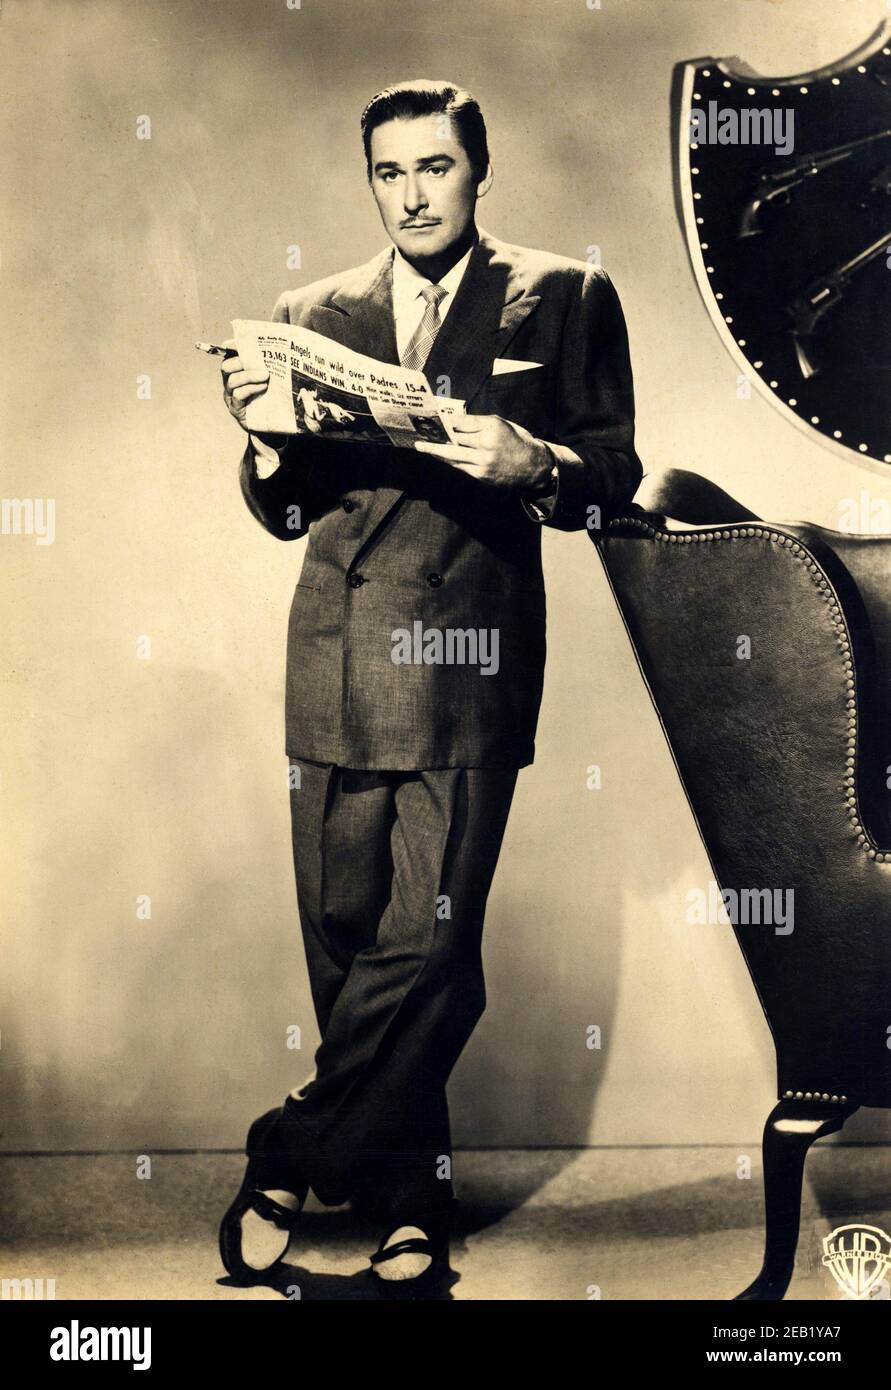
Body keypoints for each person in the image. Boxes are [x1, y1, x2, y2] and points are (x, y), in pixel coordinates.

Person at [218, 77, 643, 1296]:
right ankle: (411, 1207)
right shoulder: (314, 309)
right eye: (388, 173)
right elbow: (290, 511)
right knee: (352, 949)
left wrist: (542, 461)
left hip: (466, 664)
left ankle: (287, 1154)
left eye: (435, 168)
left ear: (479, 171)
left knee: (429, 948)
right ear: (372, 184)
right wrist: (260, 443)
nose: (411, 194)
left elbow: (618, 476)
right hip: (329, 661)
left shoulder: (563, 295)